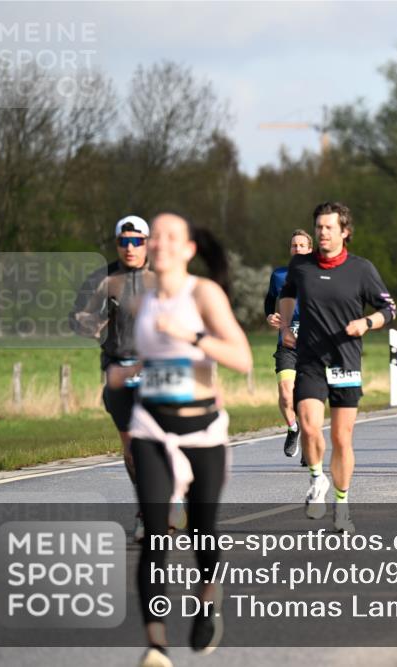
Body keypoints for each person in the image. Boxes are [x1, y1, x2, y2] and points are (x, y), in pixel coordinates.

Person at [129, 212, 253, 667]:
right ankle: (157, 646)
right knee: (155, 533)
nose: (158, 242)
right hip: (152, 427)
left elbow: (241, 357)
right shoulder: (139, 298)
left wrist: (193, 336)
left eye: (169, 236)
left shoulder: (203, 293)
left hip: (202, 430)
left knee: (203, 531)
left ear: (187, 248)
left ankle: (207, 599)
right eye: (153, 235)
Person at [279, 202, 397, 530]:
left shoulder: (361, 269)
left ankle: (342, 504)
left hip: (346, 360)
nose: (322, 233)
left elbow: (389, 309)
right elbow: (287, 294)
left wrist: (367, 322)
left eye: (329, 228)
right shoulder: (300, 265)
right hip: (310, 359)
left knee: (343, 439)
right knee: (310, 424)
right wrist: (286, 327)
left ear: (344, 231)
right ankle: (317, 479)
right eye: (318, 227)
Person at [70, 215, 155, 541]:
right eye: (124, 242)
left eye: (136, 241)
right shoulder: (103, 278)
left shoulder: (162, 277)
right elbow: (78, 317)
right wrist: (89, 323)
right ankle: (146, 510)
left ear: (147, 242)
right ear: (117, 243)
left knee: (159, 441)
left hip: (156, 369)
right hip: (118, 367)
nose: (130, 248)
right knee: (133, 447)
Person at [264, 229, 313, 464]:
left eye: (302, 245)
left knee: (306, 399)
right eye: (294, 245)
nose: (298, 249)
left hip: (313, 346)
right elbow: (268, 301)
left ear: (310, 250)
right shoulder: (279, 275)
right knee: (286, 394)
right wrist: (269, 316)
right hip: (286, 343)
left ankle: (308, 443)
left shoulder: (320, 275)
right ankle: (293, 428)